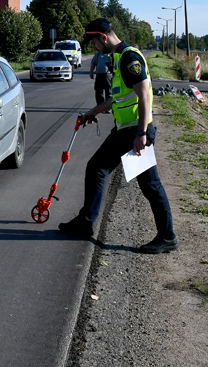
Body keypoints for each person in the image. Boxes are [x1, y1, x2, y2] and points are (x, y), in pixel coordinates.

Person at [58, 17, 177, 254]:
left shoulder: (130, 58)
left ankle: (167, 236)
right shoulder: (117, 58)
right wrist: (94, 111)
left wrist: (142, 133)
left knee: (146, 184)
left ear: (103, 38)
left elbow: (144, 96)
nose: (93, 48)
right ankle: (86, 221)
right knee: (100, 169)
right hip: (126, 130)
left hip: (135, 131)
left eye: (93, 42)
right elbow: (119, 98)